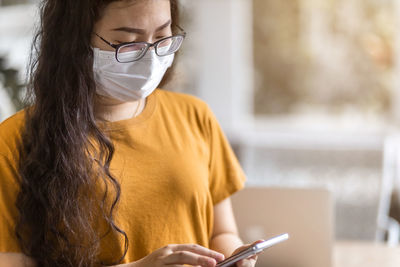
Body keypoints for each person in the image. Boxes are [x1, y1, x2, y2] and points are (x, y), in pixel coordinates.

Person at [0, 0, 261, 266]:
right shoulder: (15, 141)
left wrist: (236, 255)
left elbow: (221, 232)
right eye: (128, 43)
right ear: (74, 42)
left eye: (162, 36)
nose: (150, 57)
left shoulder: (195, 116)